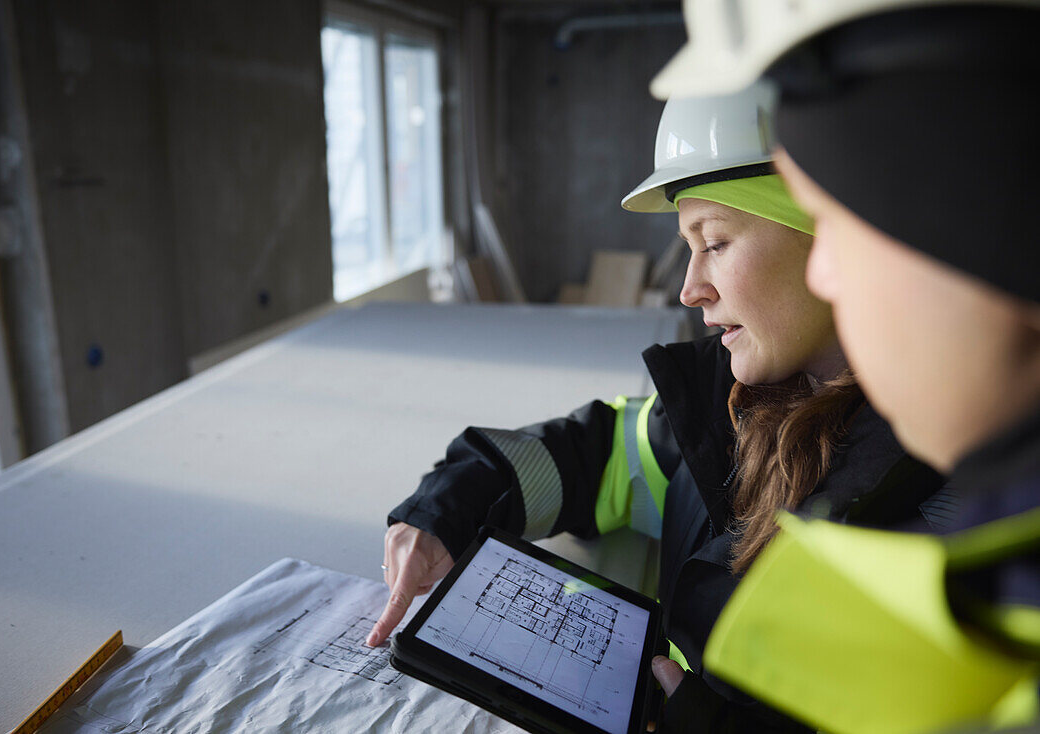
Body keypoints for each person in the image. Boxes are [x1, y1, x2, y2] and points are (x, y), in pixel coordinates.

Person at [368, 81, 947, 730]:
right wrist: (443, 510)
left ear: (827, 238)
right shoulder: (723, 406)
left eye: (716, 242)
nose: (689, 288)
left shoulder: (946, 507)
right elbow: (586, 455)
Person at [648, 2, 1040, 732]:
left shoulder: (952, 542)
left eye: (836, 226)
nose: (825, 277)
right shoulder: (724, 403)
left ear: (983, 228)